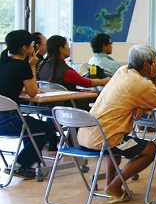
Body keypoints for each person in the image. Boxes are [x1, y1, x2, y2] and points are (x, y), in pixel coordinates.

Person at [78, 44, 156, 203]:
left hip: (86, 134)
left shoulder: (122, 71)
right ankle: (114, 185)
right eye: (155, 61)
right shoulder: (142, 84)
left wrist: (138, 105)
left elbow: (129, 96)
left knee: (117, 146)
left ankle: (110, 184)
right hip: (105, 138)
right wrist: (154, 78)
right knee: (151, 150)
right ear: (147, 65)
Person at [0, 29, 58, 179]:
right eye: (31, 45)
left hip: (2, 120)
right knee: (48, 128)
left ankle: (31, 162)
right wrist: (32, 66)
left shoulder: (3, 62)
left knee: (31, 126)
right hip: (10, 120)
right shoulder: (22, 66)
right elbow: (33, 92)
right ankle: (20, 164)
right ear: (24, 48)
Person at [38, 35, 111, 96]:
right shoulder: (66, 72)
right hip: (69, 105)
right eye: (67, 45)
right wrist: (103, 81)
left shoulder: (43, 67)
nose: (69, 48)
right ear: (61, 49)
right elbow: (86, 83)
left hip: (49, 106)